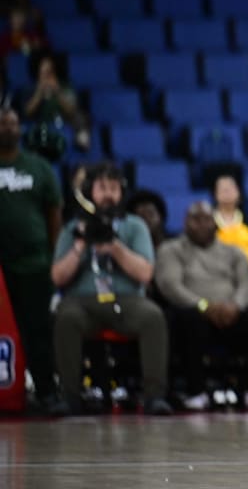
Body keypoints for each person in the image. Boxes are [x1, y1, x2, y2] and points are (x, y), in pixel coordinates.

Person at [49, 162, 172, 416]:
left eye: (114, 188)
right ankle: (70, 397)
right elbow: (57, 277)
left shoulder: (134, 226)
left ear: (121, 192)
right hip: (82, 302)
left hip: (126, 300)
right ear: (90, 191)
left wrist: (115, 248)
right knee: (66, 317)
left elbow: (145, 273)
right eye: (102, 187)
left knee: (153, 316)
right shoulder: (73, 228)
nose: (108, 194)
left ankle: (154, 397)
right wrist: (80, 246)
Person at [155, 202, 248, 411]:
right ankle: (195, 391)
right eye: (195, 219)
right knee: (184, 317)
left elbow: (246, 285)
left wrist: (235, 306)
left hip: (232, 315)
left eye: (206, 219)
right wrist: (203, 306)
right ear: (185, 223)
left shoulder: (233, 252)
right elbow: (170, 286)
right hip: (196, 315)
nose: (201, 224)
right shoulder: (171, 249)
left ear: (214, 223)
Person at [0, 107, 61, 408]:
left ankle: (46, 390)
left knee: (37, 329)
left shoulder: (38, 167)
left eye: (13, 123)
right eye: (3, 123)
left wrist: (53, 254)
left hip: (34, 262)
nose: (9, 128)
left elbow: (53, 212)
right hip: (0, 268)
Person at [22, 54, 89, 151]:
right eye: (43, 72)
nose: (46, 76)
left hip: (64, 125)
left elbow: (72, 111)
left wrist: (57, 91)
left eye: (49, 72)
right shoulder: (30, 88)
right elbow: (27, 113)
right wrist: (39, 93)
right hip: (40, 127)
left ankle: (81, 141)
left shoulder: (65, 86)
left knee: (82, 116)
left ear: (55, 72)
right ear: (38, 72)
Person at [212, 174, 248, 268]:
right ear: (215, 195)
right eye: (223, 189)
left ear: (238, 192)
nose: (227, 192)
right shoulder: (209, 222)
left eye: (230, 188)